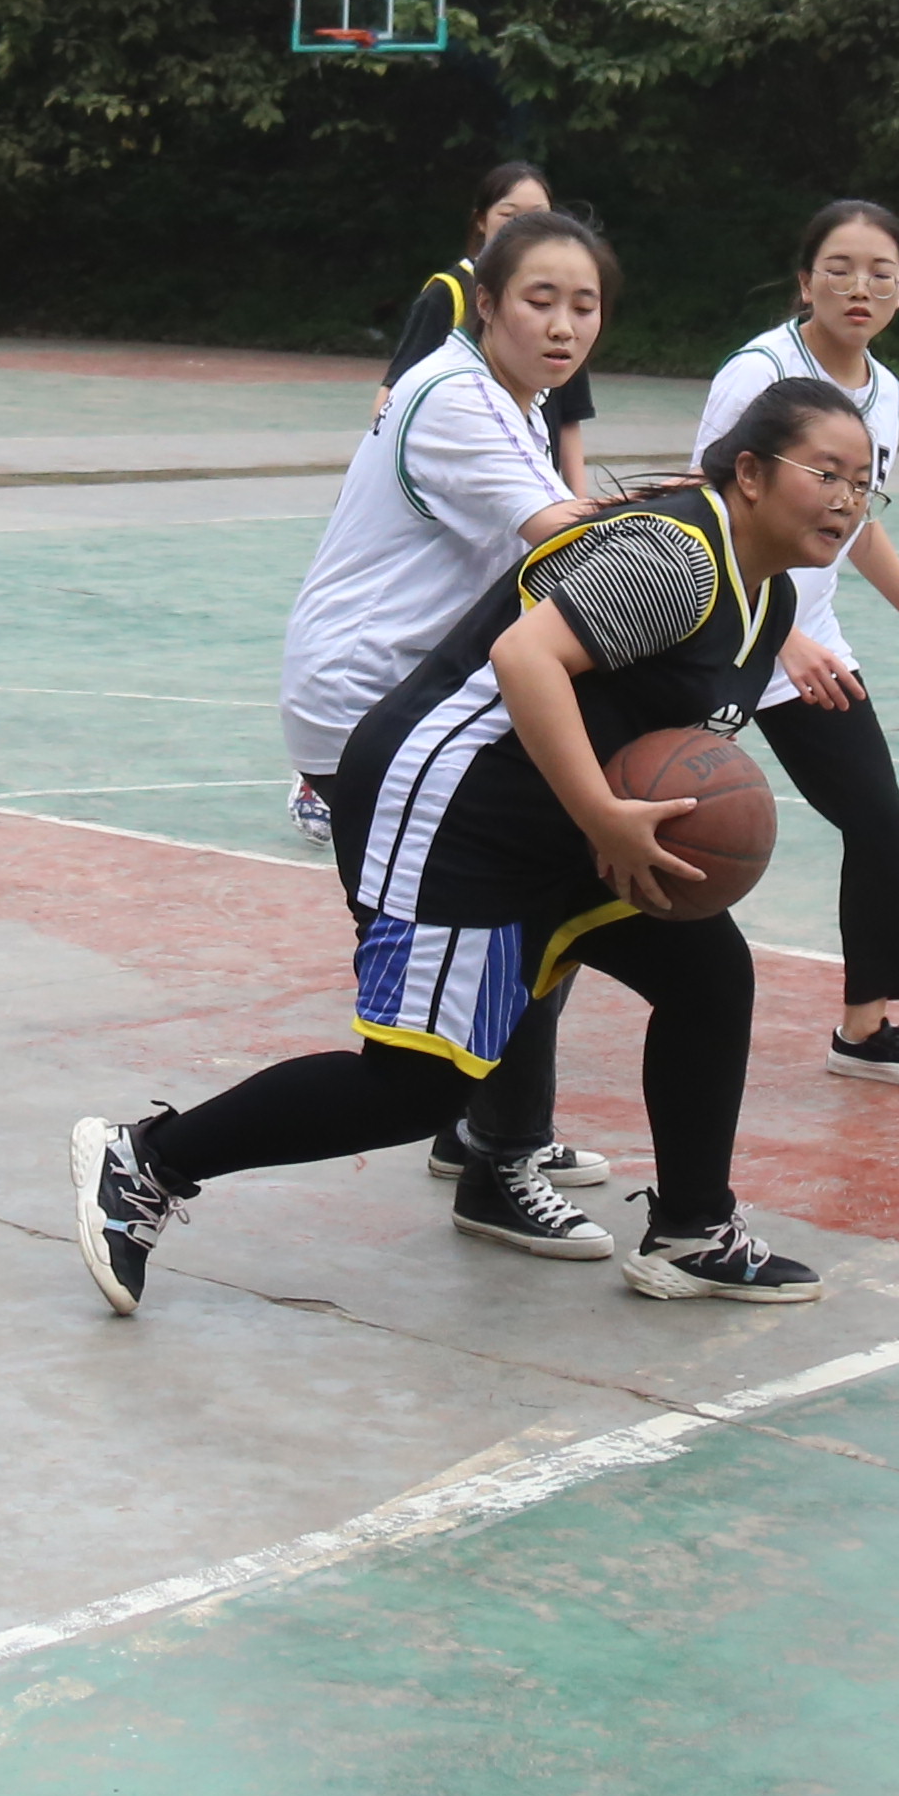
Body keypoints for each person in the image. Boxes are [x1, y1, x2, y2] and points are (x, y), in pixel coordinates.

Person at [71, 382, 878, 1320]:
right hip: (452, 801)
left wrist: (626, 817)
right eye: (827, 473)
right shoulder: (677, 559)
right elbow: (524, 659)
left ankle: (693, 1231)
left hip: (555, 818)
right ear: (750, 473)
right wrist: (602, 812)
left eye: (865, 483)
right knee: (417, 1086)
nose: (847, 500)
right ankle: (149, 1159)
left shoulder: (766, 600)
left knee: (708, 974)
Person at [271, 204, 616, 1243]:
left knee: (529, 910)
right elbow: (564, 537)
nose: (564, 324)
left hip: (406, 698)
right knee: (503, 927)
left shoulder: (509, 400)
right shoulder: (459, 398)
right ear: (489, 304)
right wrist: (707, 528)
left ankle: (486, 1135)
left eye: (585, 304)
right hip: (374, 703)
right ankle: (488, 1149)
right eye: (540, 300)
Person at [690, 199, 899, 1090]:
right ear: (804, 280)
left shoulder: (886, 391)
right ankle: (517, 1030)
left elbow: (858, 523)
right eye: (839, 268)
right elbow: (704, 506)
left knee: (877, 819)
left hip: (810, 643)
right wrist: (781, 634)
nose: (860, 287)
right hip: (718, 628)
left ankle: (865, 1027)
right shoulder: (762, 373)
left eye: (880, 272)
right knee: (635, 812)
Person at [384, 161, 599, 493]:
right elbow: (393, 394)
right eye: (509, 215)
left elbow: (569, 416)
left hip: (535, 485)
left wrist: (578, 503)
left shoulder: (563, 316)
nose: (562, 328)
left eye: (537, 216)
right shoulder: (449, 294)